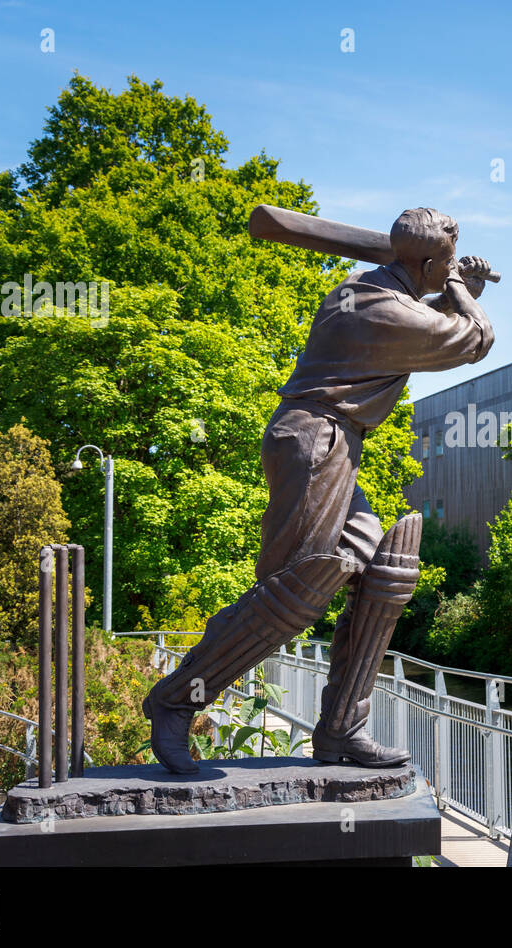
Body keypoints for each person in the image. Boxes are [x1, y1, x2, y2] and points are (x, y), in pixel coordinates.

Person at [143, 207, 494, 773]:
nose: (454, 266)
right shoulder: (384, 309)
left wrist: (450, 287)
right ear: (428, 262)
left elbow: (414, 323)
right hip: (317, 442)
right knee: (294, 594)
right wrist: (459, 289)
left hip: (324, 440)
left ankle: (340, 732)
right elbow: (476, 339)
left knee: (385, 566)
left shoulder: (363, 293)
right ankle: (177, 700)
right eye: (447, 259)